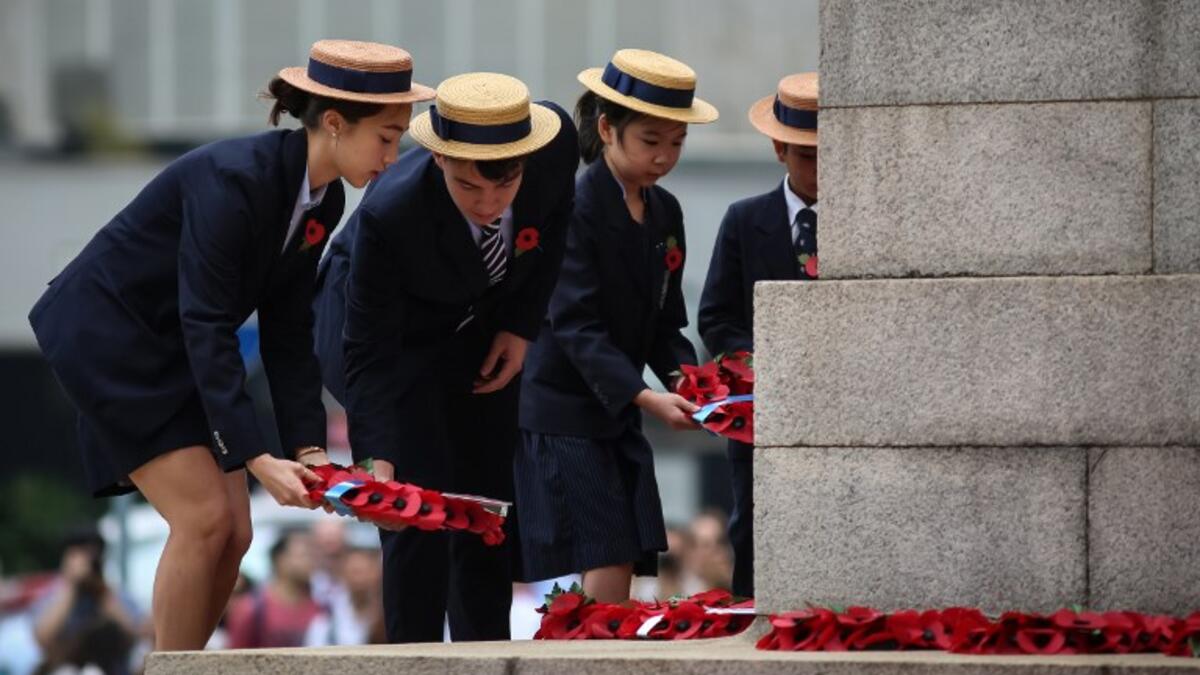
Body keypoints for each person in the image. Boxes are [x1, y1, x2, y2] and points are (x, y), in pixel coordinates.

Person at [26, 40, 434, 650]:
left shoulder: (327, 198)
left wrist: (308, 448)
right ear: (332, 123)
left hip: (174, 343)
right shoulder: (235, 179)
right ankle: (172, 667)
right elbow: (207, 322)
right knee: (204, 519)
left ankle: (187, 663)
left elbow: (290, 330)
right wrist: (256, 456)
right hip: (109, 336)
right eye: (385, 136)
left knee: (236, 531)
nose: (393, 154)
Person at [313, 71, 578, 643]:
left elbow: (555, 226)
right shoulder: (391, 214)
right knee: (418, 508)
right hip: (387, 337)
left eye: (503, 188)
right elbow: (370, 353)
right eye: (468, 188)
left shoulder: (555, 151)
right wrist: (376, 457)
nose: (488, 204)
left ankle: (484, 651)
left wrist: (519, 325)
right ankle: (417, 656)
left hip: (481, 327)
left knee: (484, 504)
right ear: (438, 161)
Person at [514, 49, 718, 603]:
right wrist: (647, 398)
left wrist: (689, 384)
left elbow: (664, 320)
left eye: (676, 143)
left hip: (620, 408)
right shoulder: (573, 205)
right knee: (604, 547)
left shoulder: (666, 211)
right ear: (607, 128)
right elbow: (574, 322)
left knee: (629, 547)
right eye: (651, 142)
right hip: (566, 409)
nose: (664, 157)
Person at [698, 73, 820, 598]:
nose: (820, 171)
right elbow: (715, 317)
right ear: (779, 149)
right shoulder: (744, 219)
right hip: (761, 410)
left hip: (843, 402)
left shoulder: (869, 223)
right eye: (807, 156)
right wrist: (759, 366)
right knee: (752, 519)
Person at [31, 528, 144, 675]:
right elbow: (43, 639)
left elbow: (134, 635)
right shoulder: (51, 597)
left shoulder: (115, 595)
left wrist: (100, 591)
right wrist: (72, 587)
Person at [225, 530, 320, 649]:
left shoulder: (322, 607)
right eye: (304, 555)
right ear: (280, 560)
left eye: (313, 556)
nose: (311, 562)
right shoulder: (251, 608)